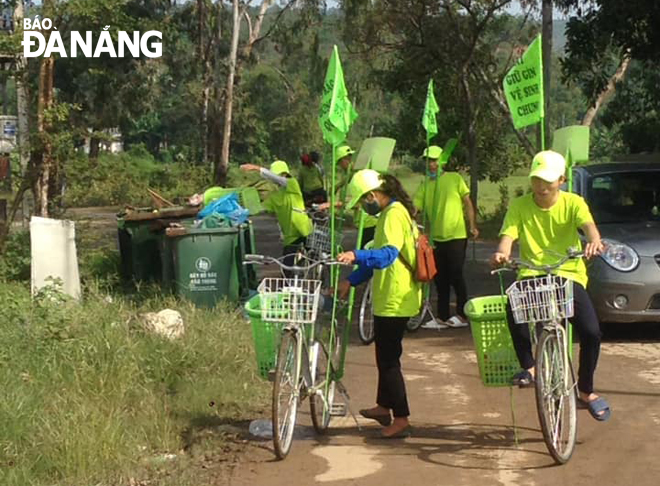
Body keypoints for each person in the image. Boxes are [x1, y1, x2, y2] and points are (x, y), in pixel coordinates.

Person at [489, 150, 610, 421]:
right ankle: (530, 367)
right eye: (536, 180)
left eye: (547, 180)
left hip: (568, 272)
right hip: (532, 273)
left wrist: (594, 241)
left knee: (591, 332)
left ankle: (586, 391)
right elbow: (508, 235)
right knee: (514, 307)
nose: (541, 186)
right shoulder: (519, 205)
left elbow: (589, 227)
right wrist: (501, 253)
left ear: (562, 180)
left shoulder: (573, 202)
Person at [336, 169, 422, 438]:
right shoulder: (389, 214)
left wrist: (355, 254)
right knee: (383, 355)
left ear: (373, 195)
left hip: (397, 298)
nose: (363, 207)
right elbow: (374, 260)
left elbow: (385, 256)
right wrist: (352, 280)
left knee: (389, 360)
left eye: (363, 201)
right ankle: (383, 407)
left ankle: (402, 418)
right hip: (389, 296)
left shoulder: (394, 215)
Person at [413, 145, 478, 329]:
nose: (431, 164)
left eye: (434, 160)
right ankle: (442, 316)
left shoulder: (454, 178)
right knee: (439, 278)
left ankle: (462, 315)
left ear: (441, 160)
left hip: (456, 236)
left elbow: (467, 202)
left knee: (456, 275)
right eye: (428, 161)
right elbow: (416, 206)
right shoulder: (424, 184)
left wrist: (472, 225)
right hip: (436, 238)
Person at [240, 160, 312, 271]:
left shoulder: (292, 184)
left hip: (302, 229)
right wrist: (240, 212)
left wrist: (258, 168)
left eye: (278, 175)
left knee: (313, 258)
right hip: (290, 235)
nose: (276, 179)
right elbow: (259, 208)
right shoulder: (275, 196)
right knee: (287, 266)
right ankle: (290, 286)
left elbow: (279, 180)